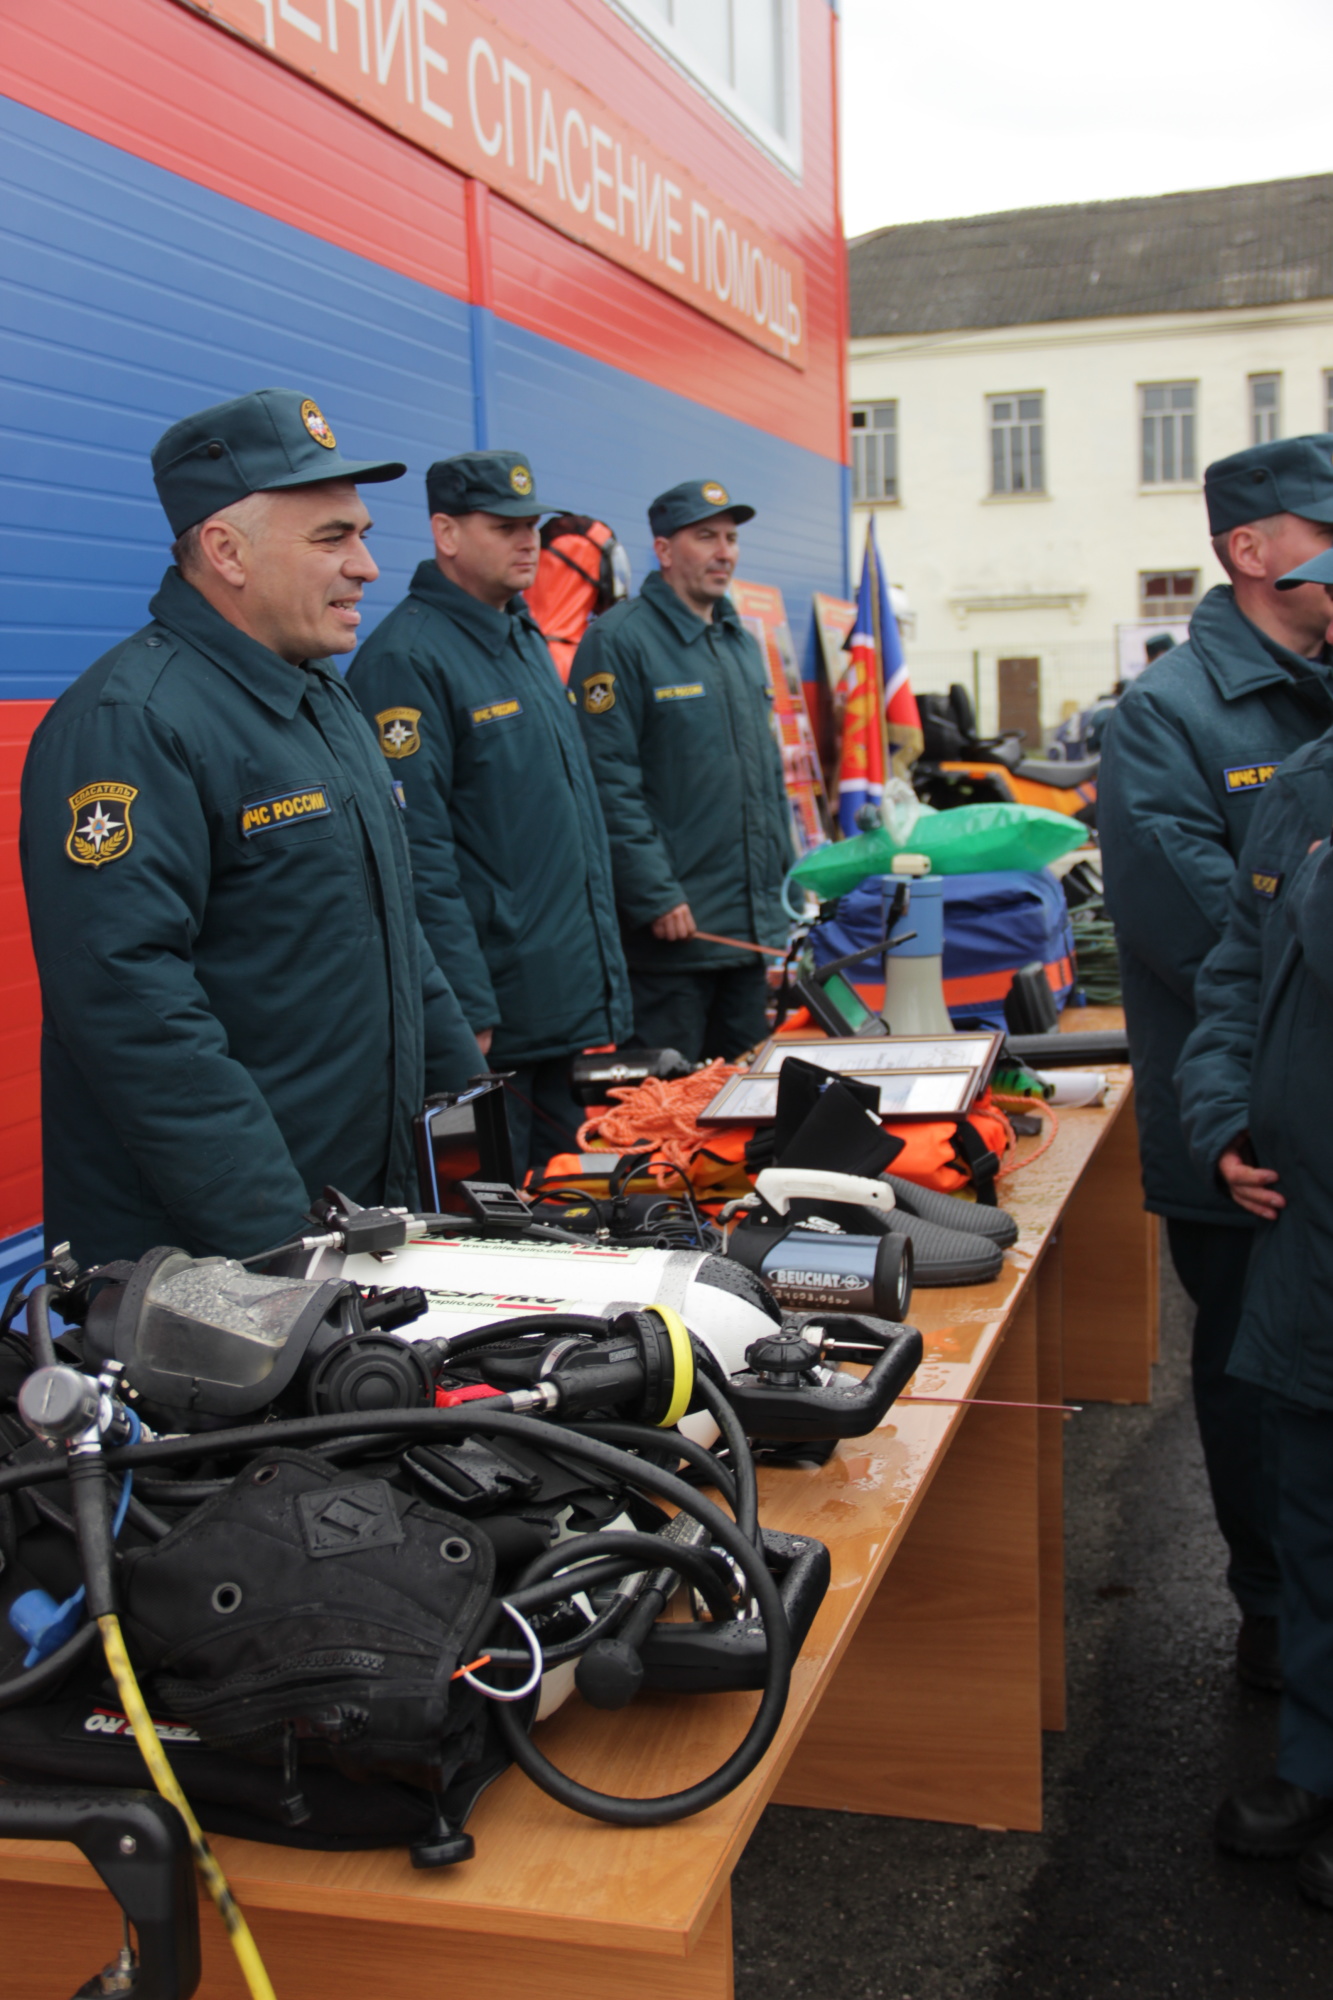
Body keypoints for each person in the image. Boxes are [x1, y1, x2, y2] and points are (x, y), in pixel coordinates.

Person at [19, 387, 482, 1268]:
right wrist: (285, 1241)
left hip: (358, 1220)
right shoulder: (130, 723)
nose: (367, 568)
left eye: (364, 536)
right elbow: (134, 1014)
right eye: (331, 538)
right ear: (227, 551)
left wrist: (466, 1142)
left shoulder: (321, 699)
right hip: (226, 1265)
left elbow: (395, 933)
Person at [1098, 434, 1333, 1691]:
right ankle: (1267, 1614)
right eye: (1324, 527)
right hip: (1237, 1123)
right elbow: (1204, 935)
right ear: (1252, 552)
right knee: (1250, 1375)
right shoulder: (1169, 716)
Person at [1177, 543, 1333, 1904]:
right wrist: (1222, 1117)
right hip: (1304, 1244)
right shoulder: (1301, 794)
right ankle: (1312, 1763)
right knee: (1313, 1518)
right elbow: (1236, 970)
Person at [347, 450, 630, 1179]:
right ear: (445, 532)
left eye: (530, 525)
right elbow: (415, 851)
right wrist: (463, 1006)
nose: (526, 540)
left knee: (571, 1197)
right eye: (503, 526)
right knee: (500, 1212)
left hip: (554, 996)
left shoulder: (519, 634)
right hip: (491, 1018)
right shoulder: (407, 659)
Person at [573, 479, 792, 1062]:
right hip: (673, 938)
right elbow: (608, 782)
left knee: (748, 1107)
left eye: (731, 537)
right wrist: (654, 895)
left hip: (745, 935)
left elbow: (765, 779)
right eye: (706, 537)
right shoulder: (620, 641)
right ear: (664, 550)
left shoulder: (737, 640)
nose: (725, 552)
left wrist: (785, 886)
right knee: (665, 1112)